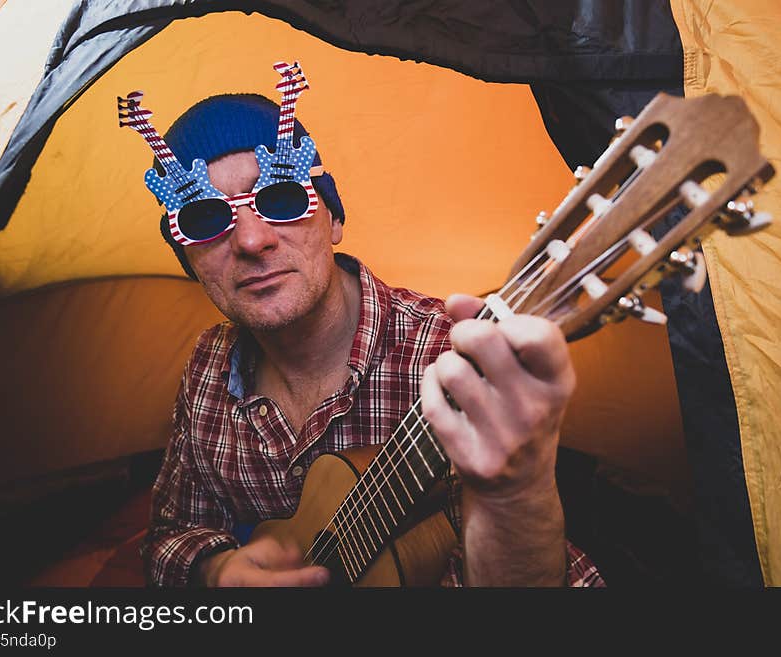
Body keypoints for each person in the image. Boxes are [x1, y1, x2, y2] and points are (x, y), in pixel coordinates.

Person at [140, 90, 603, 587]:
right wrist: (215, 569)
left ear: (334, 218)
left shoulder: (452, 357)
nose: (253, 240)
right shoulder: (208, 367)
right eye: (204, 218)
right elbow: (172, 531)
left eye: (280, 197)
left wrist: (517, 495)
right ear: (187, 258)